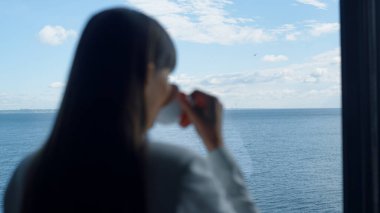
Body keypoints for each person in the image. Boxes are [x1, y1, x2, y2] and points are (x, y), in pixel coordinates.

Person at [3, 8, 257, 213]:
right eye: (167, 75)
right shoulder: (177, 170)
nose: (172, 90)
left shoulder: (25, 175)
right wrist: (215, 144)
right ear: (147, 75)